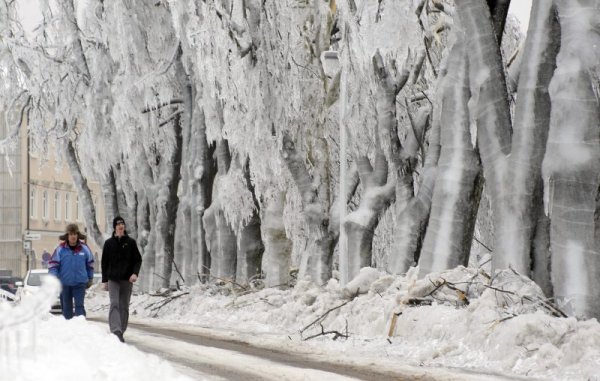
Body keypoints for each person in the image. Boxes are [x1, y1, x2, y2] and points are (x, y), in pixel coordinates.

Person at [101, 216, 142, 343]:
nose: (120, 226)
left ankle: (121, 330)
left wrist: (135, 273)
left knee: (124, 306)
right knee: (114, 303)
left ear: (124, 227)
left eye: (122, 224)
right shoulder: (109, 243)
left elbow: (138, 260)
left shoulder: (131, 243)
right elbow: (104, 263)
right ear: (114, 227)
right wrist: (104, 280)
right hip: (113, 279)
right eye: (118, 224)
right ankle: (116, 330)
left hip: (127, 279)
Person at [48, 224, 95, 319]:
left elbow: (90, 264)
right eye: (71, 234)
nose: (73, 236)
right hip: (65, 284)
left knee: (79, 307)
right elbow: (53, 265)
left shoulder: (84, 248)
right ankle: (68, 329)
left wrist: (90, 278)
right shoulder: (60, 249)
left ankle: (81, 327)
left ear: (78, 235)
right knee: (66, 309)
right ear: (67, 236)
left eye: (75, 234)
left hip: (80, 283)